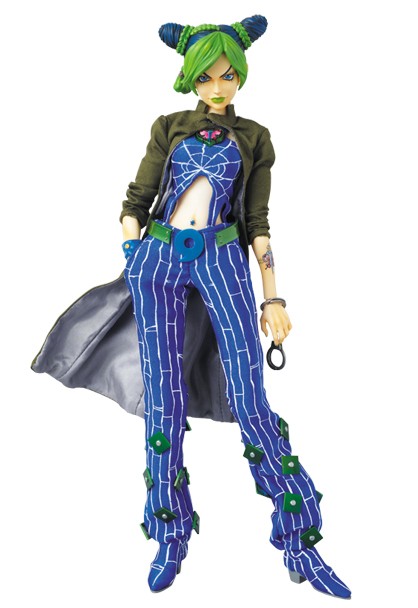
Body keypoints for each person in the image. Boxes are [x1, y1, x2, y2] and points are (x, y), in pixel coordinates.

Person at [32, 15, 351, 598]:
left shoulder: (255, 137)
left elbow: (257, 221)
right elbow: (136, 199)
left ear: (241, 75)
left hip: (222, 260)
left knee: (250, 399)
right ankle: (169, 534)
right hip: (158, 260)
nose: (218, 87)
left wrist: (272, 295)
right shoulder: (169, 127)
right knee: (163, 399)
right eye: (206, 77)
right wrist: (134, 252)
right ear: (190, 78)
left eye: (227, 75)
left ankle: (302, 542)